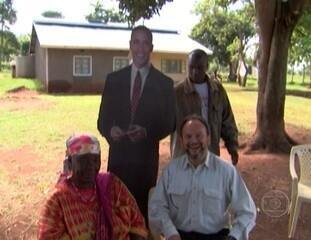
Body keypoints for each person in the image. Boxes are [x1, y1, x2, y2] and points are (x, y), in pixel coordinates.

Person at [97, 25, 175, 222]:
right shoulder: (114, 80)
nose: (141, 48)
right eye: (136, 42)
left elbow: (170, 121)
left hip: (145, 162)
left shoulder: (164, 83)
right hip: (119, 160)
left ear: (151, 47)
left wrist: (147, 132)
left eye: (145, 43)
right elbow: (102, 120)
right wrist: (110, 130)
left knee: (141, 216)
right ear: (130, 45)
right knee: (116, 214)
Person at [149, 115, 256, 240]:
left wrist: (234, 237)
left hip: (216, 236)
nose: (194, 141)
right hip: (179, 236)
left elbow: (247, 212)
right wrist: (170, 233)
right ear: (182, 141)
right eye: (188, 137)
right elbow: (157, 206)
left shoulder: (226, 171)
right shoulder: (171, 170)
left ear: (208, 139)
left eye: (199, 136)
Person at [38, 133, 148, 240]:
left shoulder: (113, 186)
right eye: (83, 161)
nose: (91, 166)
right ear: (70, 162)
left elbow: (136, 222)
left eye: (95, 160)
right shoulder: (57, 201)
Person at [171, 49, 239, 165]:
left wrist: (232, 146)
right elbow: (165, 122)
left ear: (207, 67)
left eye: (199, 68)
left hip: (210, 154)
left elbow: (227, 121)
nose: (194, 72)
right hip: (183, 157)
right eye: (191, 67)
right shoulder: (177, 93)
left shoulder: (217, 91)